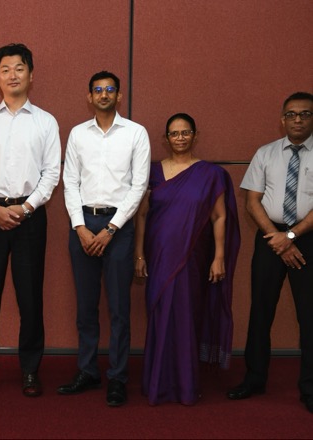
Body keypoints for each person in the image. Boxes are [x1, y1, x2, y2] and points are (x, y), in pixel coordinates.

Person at [0, 43, 61, 398]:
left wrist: (28, 207)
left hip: (30, 218)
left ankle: (31, 370)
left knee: (30, 296)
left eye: (19, 68)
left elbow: (51, 173)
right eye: (5, 70)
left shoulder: (46, 122)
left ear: (30, 75)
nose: (12, 75)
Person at [134, 113, 241, 405]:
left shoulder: (211, 174)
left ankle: (185, 384)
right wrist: (139, 254)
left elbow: (219, 217)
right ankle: (158, 382)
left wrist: (219, 257)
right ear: (166, 139)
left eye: (185, 132)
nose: (180, 138)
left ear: (195, 135)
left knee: (186, 315)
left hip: (192, 258)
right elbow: (141, 215)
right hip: (158, 256)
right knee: (160, 315)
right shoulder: (151, 172)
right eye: (174, 133)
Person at [60, 71, 150, 406]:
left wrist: (111, 228)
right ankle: (87, 371)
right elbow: (70, 182)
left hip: (119, 228)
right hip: (83, 225)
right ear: (89, 97)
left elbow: (139, 186)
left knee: (119, 309)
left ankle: (117, 377)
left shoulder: (136, 133)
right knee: (86, 308)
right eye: (98, 90)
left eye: (110, 89)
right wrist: (80, 227)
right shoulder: (78, 134)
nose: (104, 94)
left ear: (119, 96)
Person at [227, 92, 313, 413]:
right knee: (261, 311)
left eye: (305, 114)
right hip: (269, 237)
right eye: (291, 114)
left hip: (307, 239)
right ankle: (254, 378)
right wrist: (277, 237)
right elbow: (252, 201)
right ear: (282, 119)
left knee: (309, 315)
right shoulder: (265, 153)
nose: (298, 119)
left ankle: (309, 387)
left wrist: (290, 237)